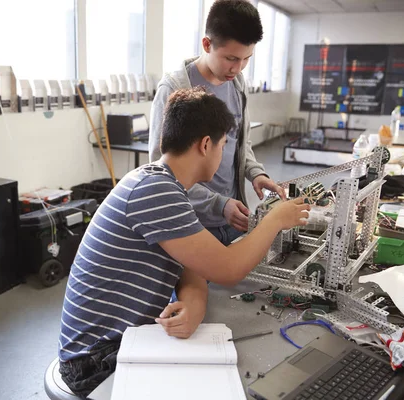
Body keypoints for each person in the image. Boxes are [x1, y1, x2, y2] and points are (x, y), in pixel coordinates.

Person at [58, 87, 310, 398]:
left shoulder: (164, 184)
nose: (222, 154)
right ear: (206, 145)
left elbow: (193, 267)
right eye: (222, 146)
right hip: (94, 361)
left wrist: (194, 304)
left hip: (115, 342)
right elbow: (227, 268)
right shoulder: (156, 192)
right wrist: (275, 220)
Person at [149, 0, 287, 246]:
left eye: (247, 59)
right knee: (193, 285)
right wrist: (217, 204)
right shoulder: (174, 89)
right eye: (231, 58)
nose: (238, 68)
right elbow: (163, 172)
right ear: (206, 44)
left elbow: (239, 142)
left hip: (232, 216)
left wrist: (255, 173)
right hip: (191, 223)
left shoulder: (237, 83)